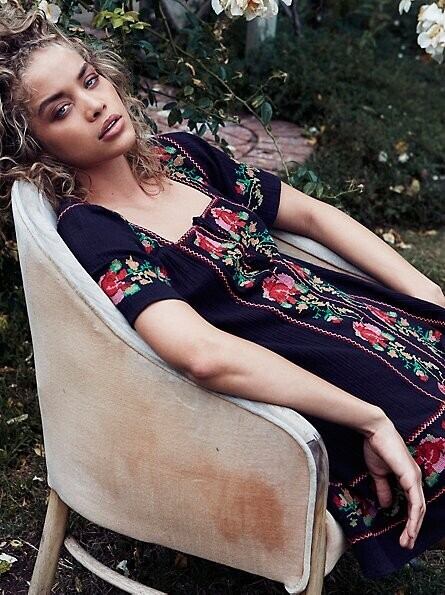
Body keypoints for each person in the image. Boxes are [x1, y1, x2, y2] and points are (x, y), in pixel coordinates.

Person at [1, 2, 444, 582]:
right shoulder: (94, 229)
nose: (95, 106)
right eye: (61, 110)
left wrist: (430, 294)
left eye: (90, 80)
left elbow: (313, 216)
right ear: (36, 144)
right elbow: (201, 354)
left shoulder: (184, 157)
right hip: (302, 382)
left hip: (360, 322)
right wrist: (368, 419)